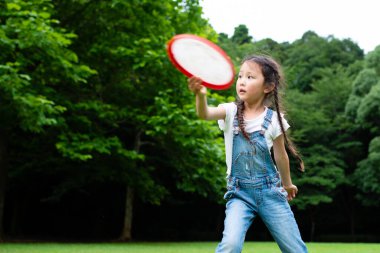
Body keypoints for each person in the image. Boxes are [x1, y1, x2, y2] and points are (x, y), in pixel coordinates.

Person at [188, 55, 308, 253]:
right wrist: (201, 95)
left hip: (270, 193)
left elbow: (281, 156)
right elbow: (204, 114)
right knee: (230, 245)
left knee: (295, 249)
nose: (242, 81)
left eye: (250, 77)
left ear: (268, 87)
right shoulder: (230, 111)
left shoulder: (274, 120)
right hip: (239, 193)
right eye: (240, 76)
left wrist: (287, 184)